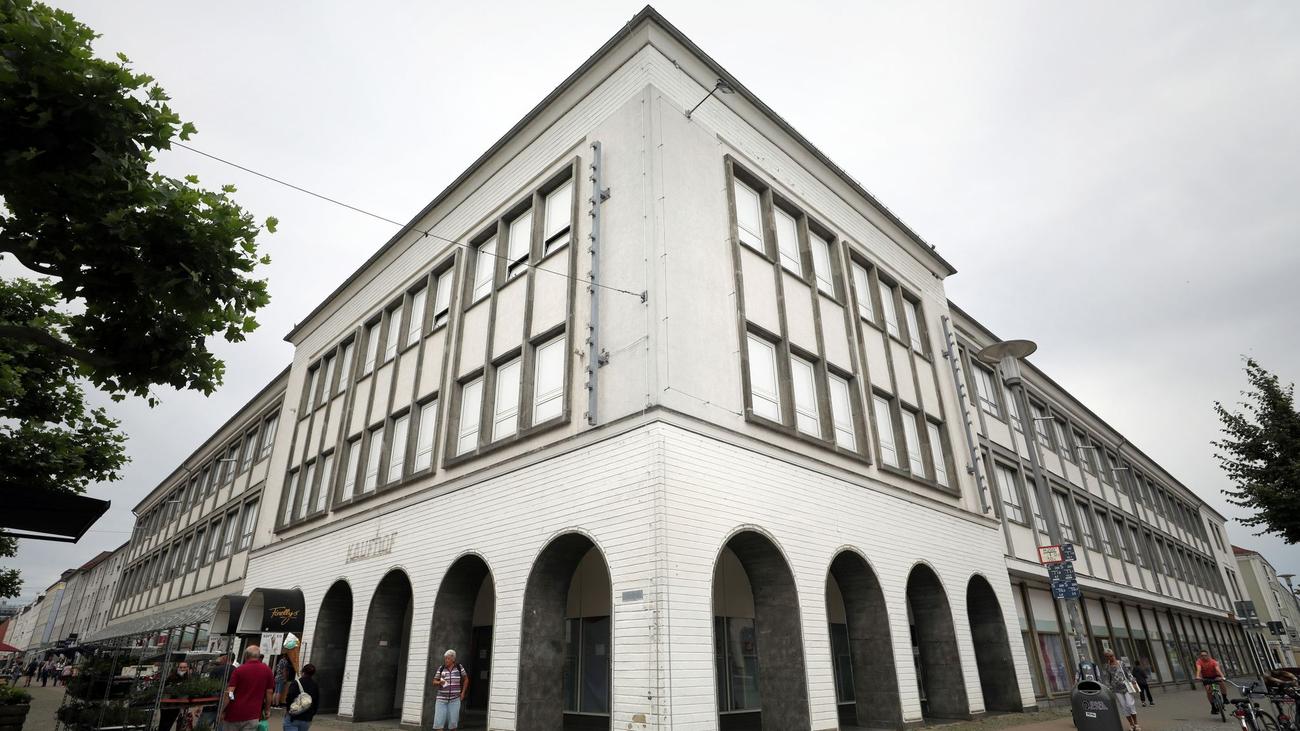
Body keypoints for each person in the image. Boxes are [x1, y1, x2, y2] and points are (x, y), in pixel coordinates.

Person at [223, 645, 275, 731]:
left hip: (233, 713)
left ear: (246, 656)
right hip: (253, 715)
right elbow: (269, 692)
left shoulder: (239, 670)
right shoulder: (267, 670)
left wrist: (223, 709)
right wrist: (267, 709)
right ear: (258, 656)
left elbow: (230, 692)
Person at [1102, 649, 1140, 731]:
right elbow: (1107, 679)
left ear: (1114, 655)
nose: (1111, 657)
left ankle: (1136, 723)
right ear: (1106, 657)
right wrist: (1108, 688)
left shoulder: (1121, 663)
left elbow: (1128, 673)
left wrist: (1133, 681)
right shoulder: (1107, 667)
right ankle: (1131, 724)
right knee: (1124, 706)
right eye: (1108, 657)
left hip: (1126, 687)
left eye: (1112, 656)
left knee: (1130, 704)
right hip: (1116, 689)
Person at [430, 649, 469, 731]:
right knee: (438, 724)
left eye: (448, 658)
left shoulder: (459, 667)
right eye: (445, 658)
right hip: (441, 700)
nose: (446, 660)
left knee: (453, 725)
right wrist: (439, 682)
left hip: (455, 700)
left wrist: (463, 693)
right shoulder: (441, 668)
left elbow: (466, 679)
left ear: (453, 659)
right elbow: (434, 681)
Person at [283, 663, 320, 731]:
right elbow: (316, 702)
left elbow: (289, 697)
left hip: (293, 717)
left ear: (303, 672)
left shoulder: (296, 683)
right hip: (306, 719)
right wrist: (311, 714)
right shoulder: (315, 685)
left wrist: (288, 710)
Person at [1195, 650, 1230, 715]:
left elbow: (1217, 669)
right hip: (1206, 677)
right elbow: (1198, 669)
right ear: (1200, 656)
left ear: (1208, 655)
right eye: (1202, 656)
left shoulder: (1213, 661)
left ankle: (1225, 698)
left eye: (1205, 655)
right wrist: (1197, 676)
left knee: (1221, 682)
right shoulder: (1199, 662)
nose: (1204, 657)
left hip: (1215, 676)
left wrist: (1222, 676)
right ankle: (1213, 707)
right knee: (1208, 691)